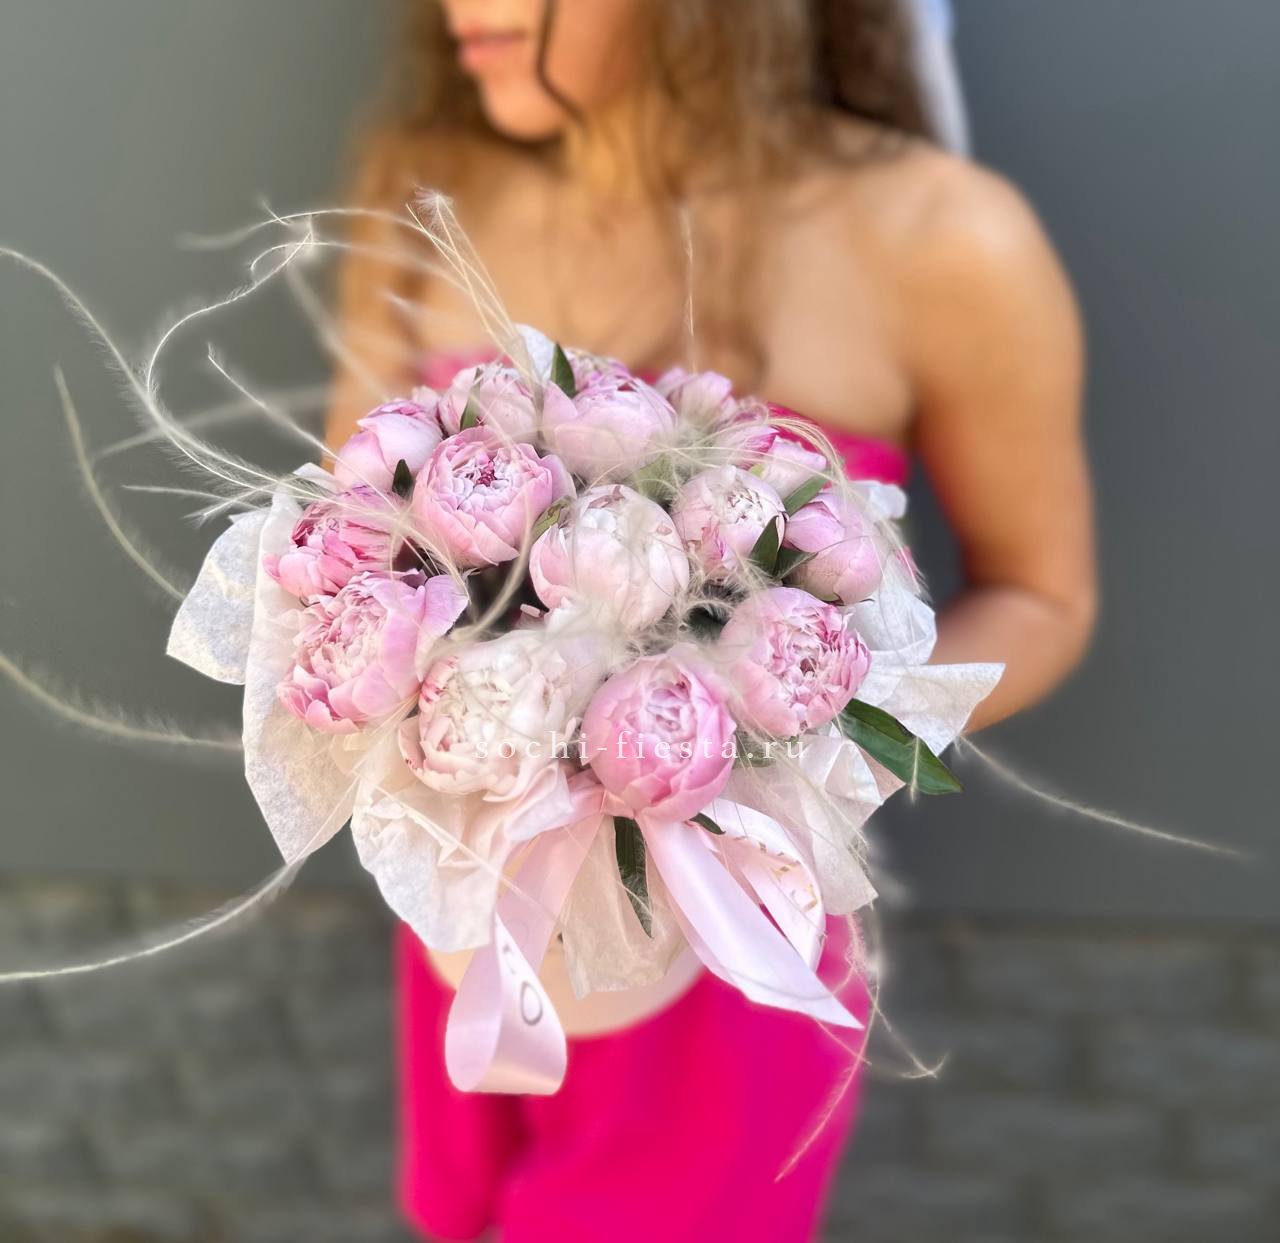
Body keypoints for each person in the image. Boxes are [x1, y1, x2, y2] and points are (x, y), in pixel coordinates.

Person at [324, 3, 1096, 1239]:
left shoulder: (942, 236)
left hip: (738, 958)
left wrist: (791, 731)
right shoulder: (424, 183)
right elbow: (344, 543)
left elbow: (1041, 595)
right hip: (469, 910)